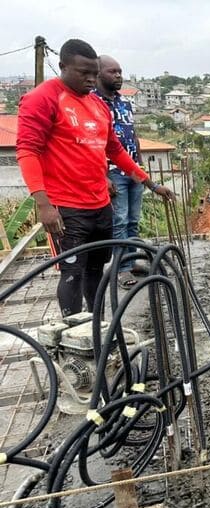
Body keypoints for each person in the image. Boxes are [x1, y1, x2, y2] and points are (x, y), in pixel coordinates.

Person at [16, 39, 175, 317]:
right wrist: (43, 205)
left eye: (94, 73)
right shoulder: (43, 98)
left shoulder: (97, 106)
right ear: (63, 66)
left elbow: (115, 150)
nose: (91, 79)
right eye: (83, 73)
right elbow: (28, 150)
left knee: (95, 271)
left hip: (100, 203)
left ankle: (98, 329)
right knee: (72, 273)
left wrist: (151, 183)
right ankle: (74, 338)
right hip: (65, 208)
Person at [93, 55, 144, 288]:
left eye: (120, 71)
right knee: (119, 221)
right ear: (99, 73)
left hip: (133, 169)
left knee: (133, 220)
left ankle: (131, 261)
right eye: (112, 71)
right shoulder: (92, 102)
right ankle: (121, 269)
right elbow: (91, 143)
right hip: (112, 171)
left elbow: (132, 135)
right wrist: (103, 176)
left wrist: (139, 164)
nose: (118, 76)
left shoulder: (124, 102)